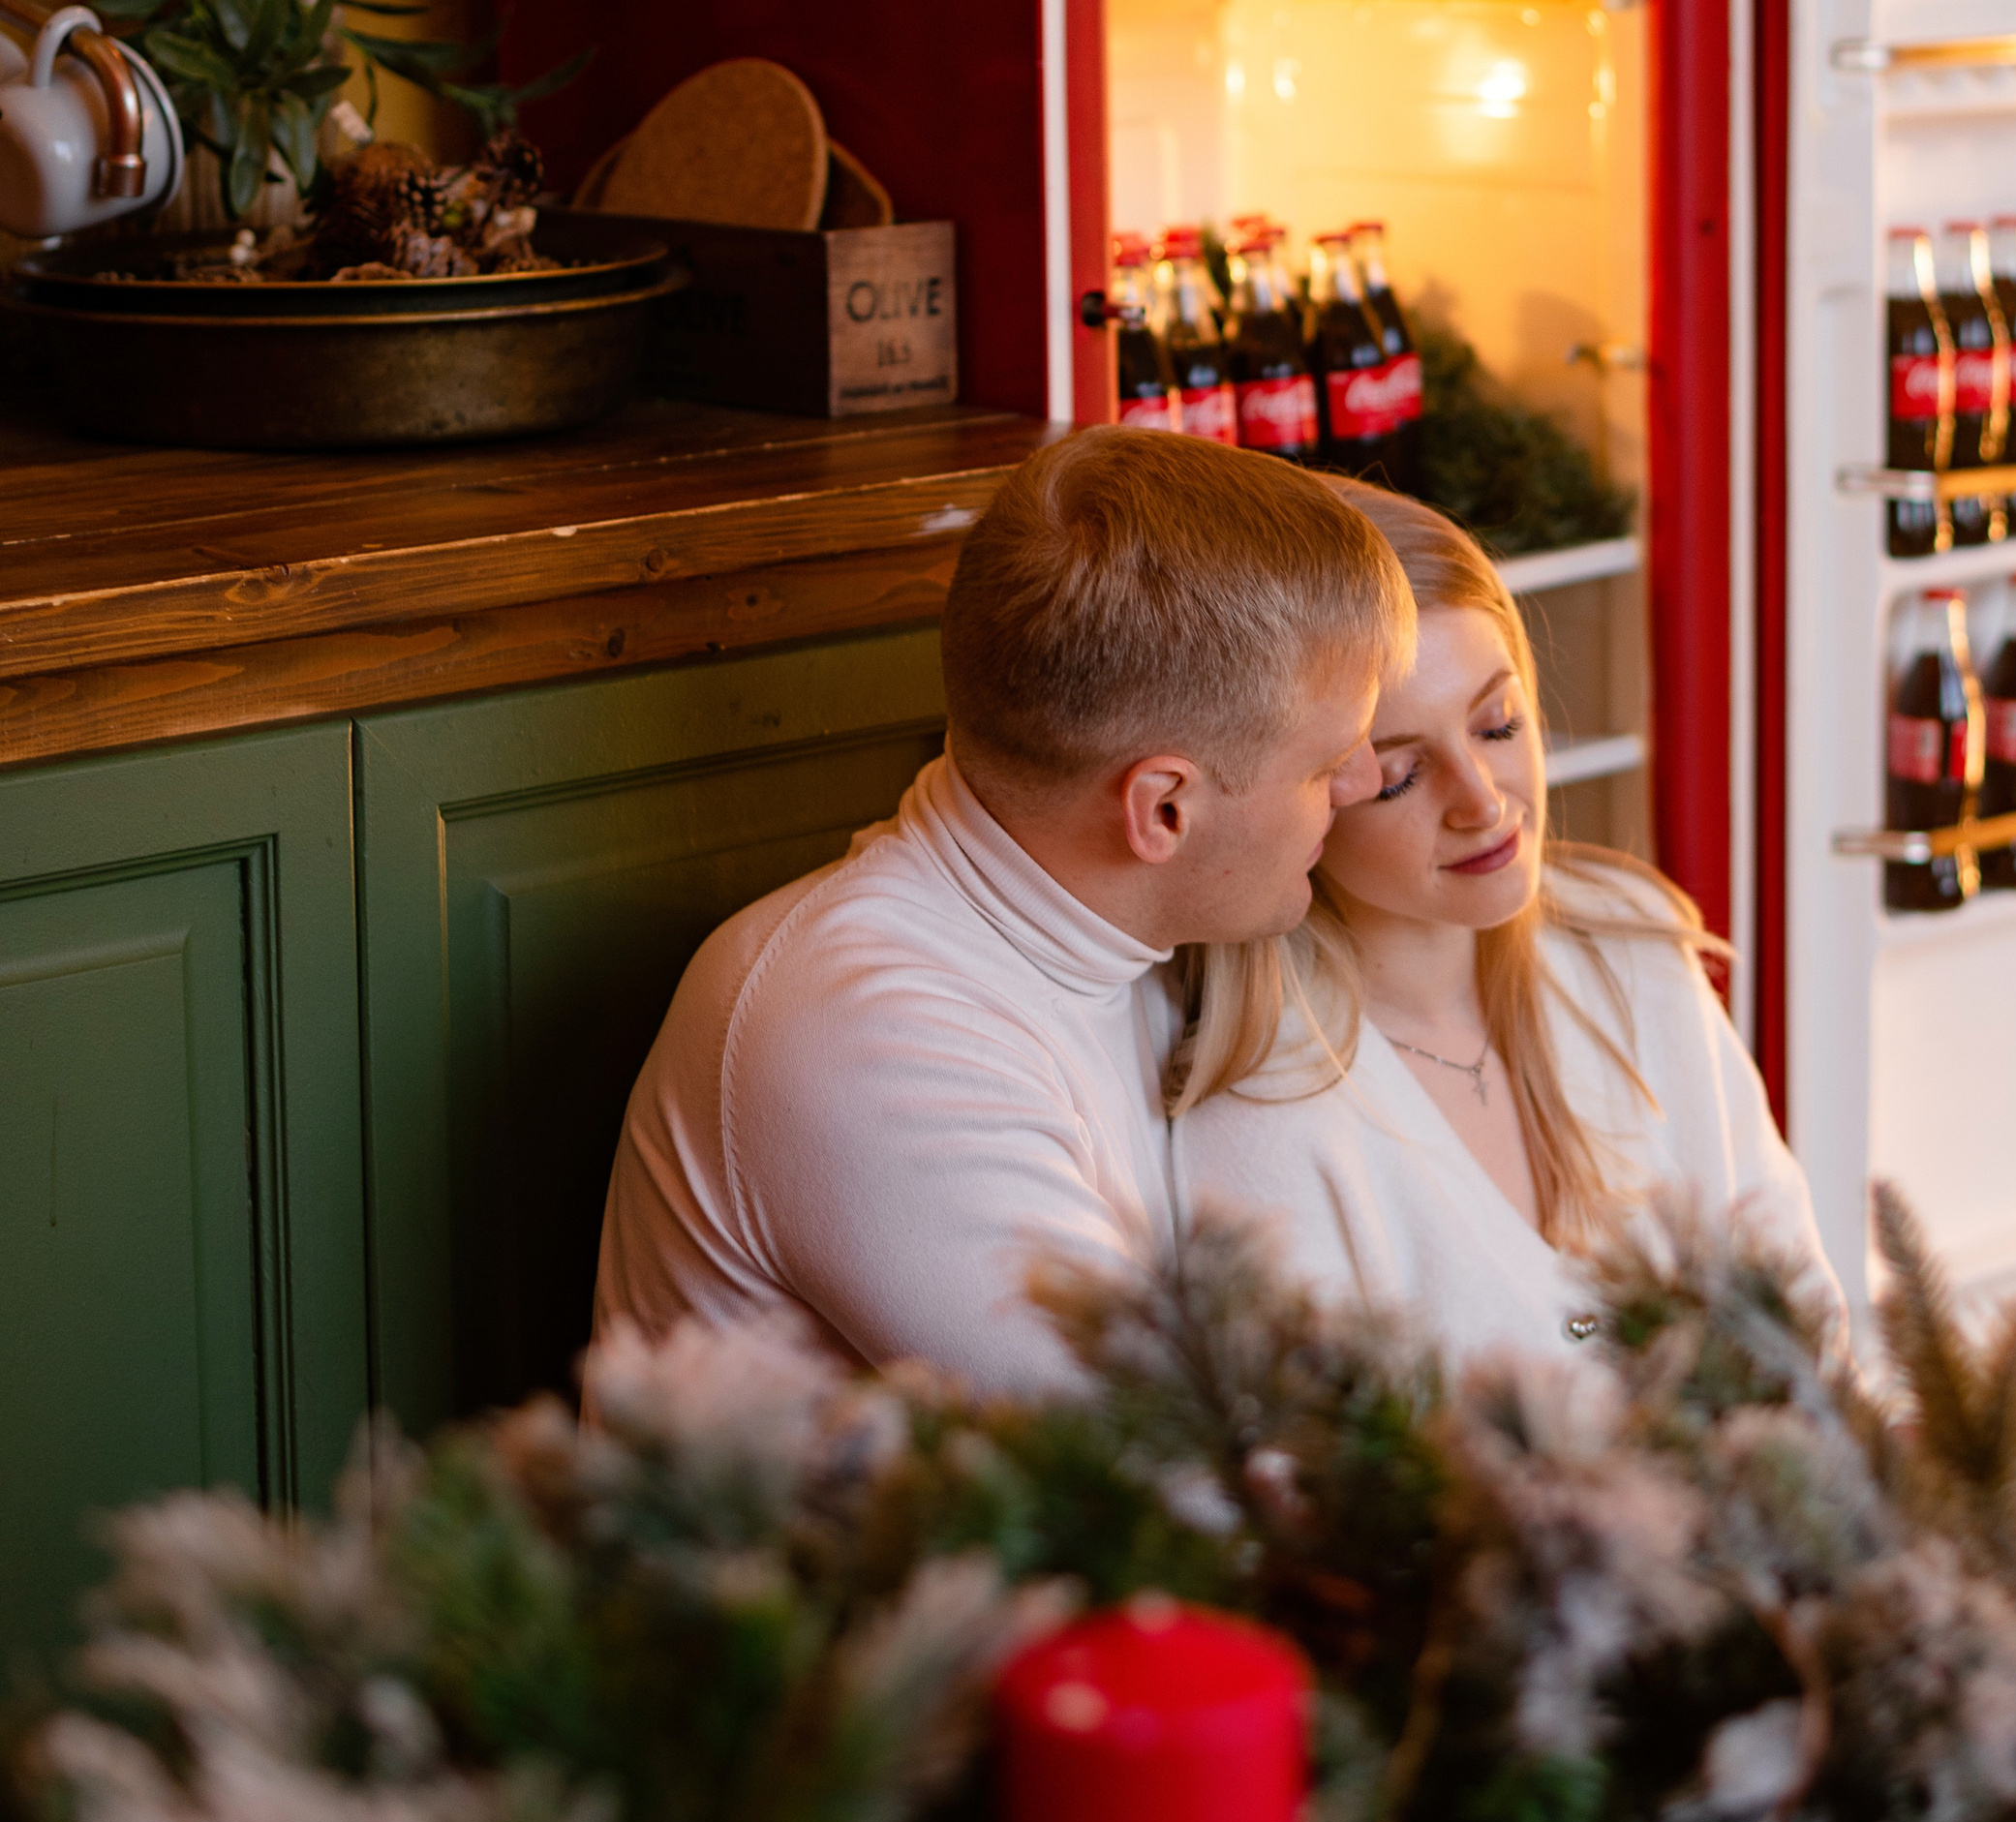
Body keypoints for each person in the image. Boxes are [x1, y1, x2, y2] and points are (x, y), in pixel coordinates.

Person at [595, 427, 1414, 1392]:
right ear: (1162, 809)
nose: (1363, 782)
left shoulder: (1110, 928)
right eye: (1326, 764)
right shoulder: (871, 1035)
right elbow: (1168, 1467)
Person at [1171, 488, 1836, 1354]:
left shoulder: (1628, 946)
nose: (1484, 803)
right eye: (1399, 777)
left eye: (1498, 724)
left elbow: (1802, 1309)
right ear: (1295, 801)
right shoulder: (1262, 1112)